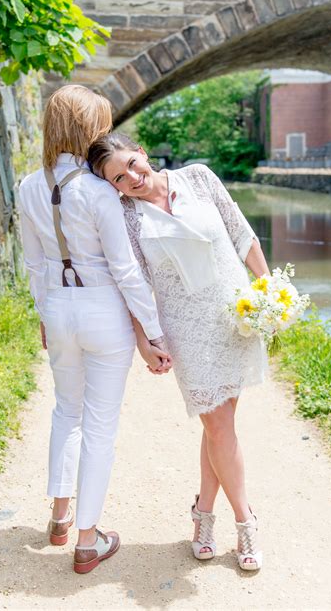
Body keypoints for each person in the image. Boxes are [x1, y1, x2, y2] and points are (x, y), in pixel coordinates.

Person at [88, 133, 270, 571]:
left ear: (143, 153)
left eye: (132, 163)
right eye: (118, 177)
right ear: (111, 186)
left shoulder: (199, 179)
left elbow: (243, 236)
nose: (131, 177)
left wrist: (270, 292)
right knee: (219, 425)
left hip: (236, 316)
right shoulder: (126, 217)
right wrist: (144, 340)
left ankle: (202, 514)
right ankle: (246, 522)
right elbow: (132, 282)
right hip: (187, 332)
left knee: (219, 427)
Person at [18, 87, 171, 574]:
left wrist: (46, 315)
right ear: (88, 130)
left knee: (66, 410)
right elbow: (125, 271)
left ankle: (60, 517)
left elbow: (34, 262)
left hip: (60, 307)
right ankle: (88, 540)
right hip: (103, 308)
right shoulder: (99, 190)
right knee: (99, 427)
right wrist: (153, 331)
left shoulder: (27, 187)